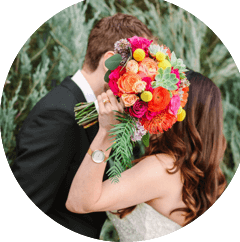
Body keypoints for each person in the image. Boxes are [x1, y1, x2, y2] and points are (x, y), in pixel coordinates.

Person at [10, 13, 155, 238]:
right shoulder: (58, 114)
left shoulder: (101, 111)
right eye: (140, 71)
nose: (142, 83)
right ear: (111, 62)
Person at [65, 70, 227, 240]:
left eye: (162, 99)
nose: (153, 106)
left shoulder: (163, 168)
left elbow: (79, 202)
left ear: (178, 114)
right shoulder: (192, 172)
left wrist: (106, 134)